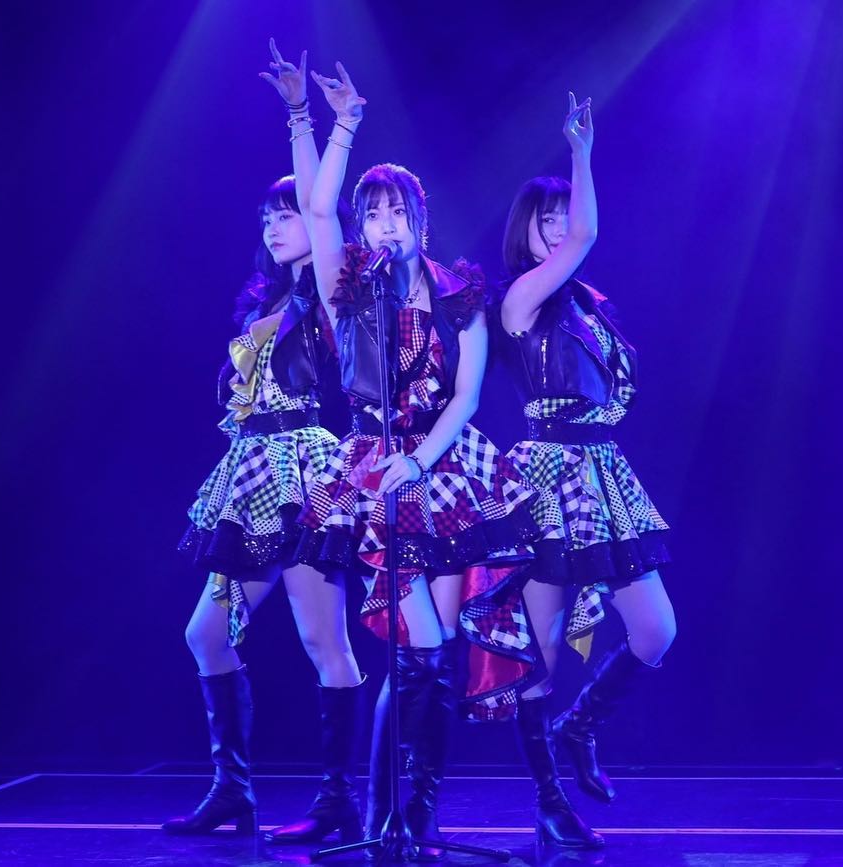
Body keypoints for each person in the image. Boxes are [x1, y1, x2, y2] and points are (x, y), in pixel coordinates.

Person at [296, 60, 540, 859]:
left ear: (420, 219)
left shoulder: (459, 295)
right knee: (417, 650)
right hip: (372, 472)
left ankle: (415, 815)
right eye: (373, 213)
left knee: (433, 660)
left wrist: (422, 459)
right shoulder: (347, 288)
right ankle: (382, 820)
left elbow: (467, 395)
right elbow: (316, 207)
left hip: (444, 470)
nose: (382, 224)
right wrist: (337, 123)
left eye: (395, 211)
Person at [163, 40, 363, 844]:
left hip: (308, 471)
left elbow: (322, 205)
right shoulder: (262, 304)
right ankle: (233, 790)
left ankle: (339, 799)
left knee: (323, 638)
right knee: (206, 633)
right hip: (251, 473)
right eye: (269, 218)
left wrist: (307, 118)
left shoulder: (330, 293)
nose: (279, 226)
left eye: (289, 214)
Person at [493, 93, 677, 848]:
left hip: (604, 474)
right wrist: (581, 152)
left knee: (656, 631)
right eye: (548, 220)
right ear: (526, 232)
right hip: (548, 478)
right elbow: (589, 233)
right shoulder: (521, 299)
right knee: (538, 655)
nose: (562, 228)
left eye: (564, 217)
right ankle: (548, 800)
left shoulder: (587, 307)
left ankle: (580, 727)